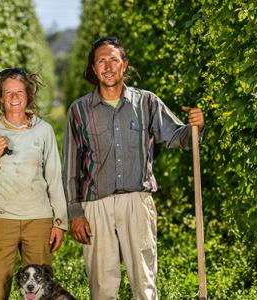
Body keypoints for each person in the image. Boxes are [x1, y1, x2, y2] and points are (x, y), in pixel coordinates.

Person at [62, 37, 205, 300]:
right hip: (96, 206)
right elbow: (70, 166)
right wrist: (75, 212)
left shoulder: (147, 102)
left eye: (113, 60)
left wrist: (196, 126)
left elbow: (177, 137)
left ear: (124, 65)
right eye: (101, 61)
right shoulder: (78, 111)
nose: (107, 66)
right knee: (102, 288)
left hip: (137, 202)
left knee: (144, 284)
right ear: (93, 69)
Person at [0, 68, 68, 300]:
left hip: (38, 220)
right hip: (0, 220)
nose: (14, 97)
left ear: (29, 95)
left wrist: (59, 222)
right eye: (7, 92)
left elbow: (54, 178)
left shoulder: (43, 131)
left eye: (19, 91)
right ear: (0, 97)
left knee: (40, 293)